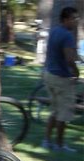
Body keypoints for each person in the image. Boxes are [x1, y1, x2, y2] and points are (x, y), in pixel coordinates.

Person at [41, 7, 80, 152]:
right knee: (64, 113)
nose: (76, 21)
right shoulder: (67, 35)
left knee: (55, 111)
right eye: (74, 18)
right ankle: (60, 144)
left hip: (50, 75)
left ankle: (46, 141)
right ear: (65, 19)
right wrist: (76, 72)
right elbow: (69, 59)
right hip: (61, 78)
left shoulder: (55, 31)